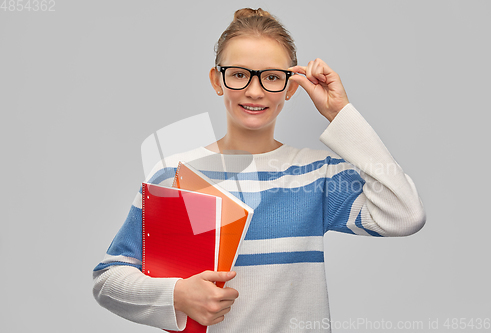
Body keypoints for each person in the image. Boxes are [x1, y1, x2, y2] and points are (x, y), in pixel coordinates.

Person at [92, 7, 426, 332]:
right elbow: (109, 279)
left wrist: (341, 114)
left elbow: (404, 214)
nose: (254, 91)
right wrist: (177, 295)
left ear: (291, 86)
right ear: (217, 80)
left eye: (271, 77)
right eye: (239, 74)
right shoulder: (175, 175)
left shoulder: (316, 175)